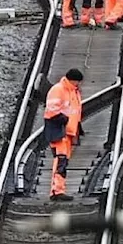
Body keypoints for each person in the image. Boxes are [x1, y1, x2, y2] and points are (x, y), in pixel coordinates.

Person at [44, 68, 85, 201]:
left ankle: (58, 190)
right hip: (59, 130)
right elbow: (52, 110)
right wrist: (65, 120)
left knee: (63, 161)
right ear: (72, 80)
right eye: (77, 82)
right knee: (60, 160)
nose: (78, 84)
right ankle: (56, 191)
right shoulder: (59, 89)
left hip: (68, 132)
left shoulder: (73, 91)